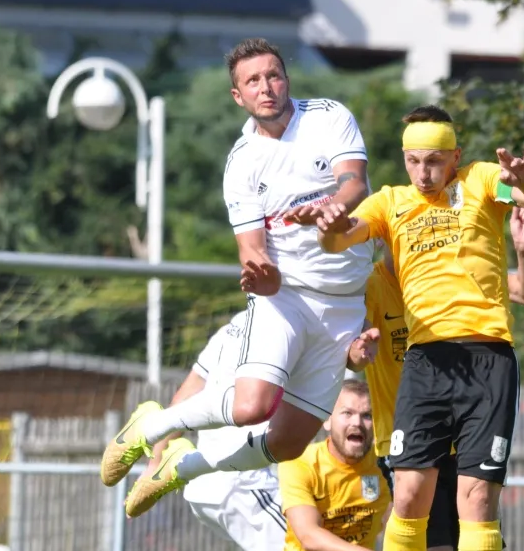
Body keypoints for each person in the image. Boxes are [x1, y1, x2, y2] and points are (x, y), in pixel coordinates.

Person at [100, 39, 374, 519]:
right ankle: (150, 427)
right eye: (253, 81)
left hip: (346, 304)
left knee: (287, 444)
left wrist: (334, 207)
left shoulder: (328, 116)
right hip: (286, 298)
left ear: (286, 79)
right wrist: (261, 275)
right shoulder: (242, 162)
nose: (266, 88)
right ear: (238, 95)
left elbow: (354, 181)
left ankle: (183, 468)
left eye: (273, 76)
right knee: (251, 407)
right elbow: (251, 249)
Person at [315, 105, 524, 551]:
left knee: (478, 502)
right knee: (409, 497)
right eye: (413, 161)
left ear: (455, 156)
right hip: (425, 364)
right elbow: (339, 238)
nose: (423, 173)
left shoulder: (481, 180)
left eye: (435, 161)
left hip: (487, 357)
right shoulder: (391, 203)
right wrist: (329, 228)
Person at [361, 206, 524, 551]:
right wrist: (355, 351)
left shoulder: (454, 276)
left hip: (463, 433)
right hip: (409, 439)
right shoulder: (371, 287)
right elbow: (344, 347)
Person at [139, 314, 383, 551]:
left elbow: (186, 396)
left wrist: (154, 463)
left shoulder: (234, 327)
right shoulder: (294, 326)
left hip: (216, 480)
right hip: (242, 483)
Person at [272, 377, 392, 551]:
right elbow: (309, 536)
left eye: (367, 415)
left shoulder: (385, 468)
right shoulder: (301, 462)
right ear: (327, 420)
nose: (357, 422)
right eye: (347, 413)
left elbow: (401, 524)